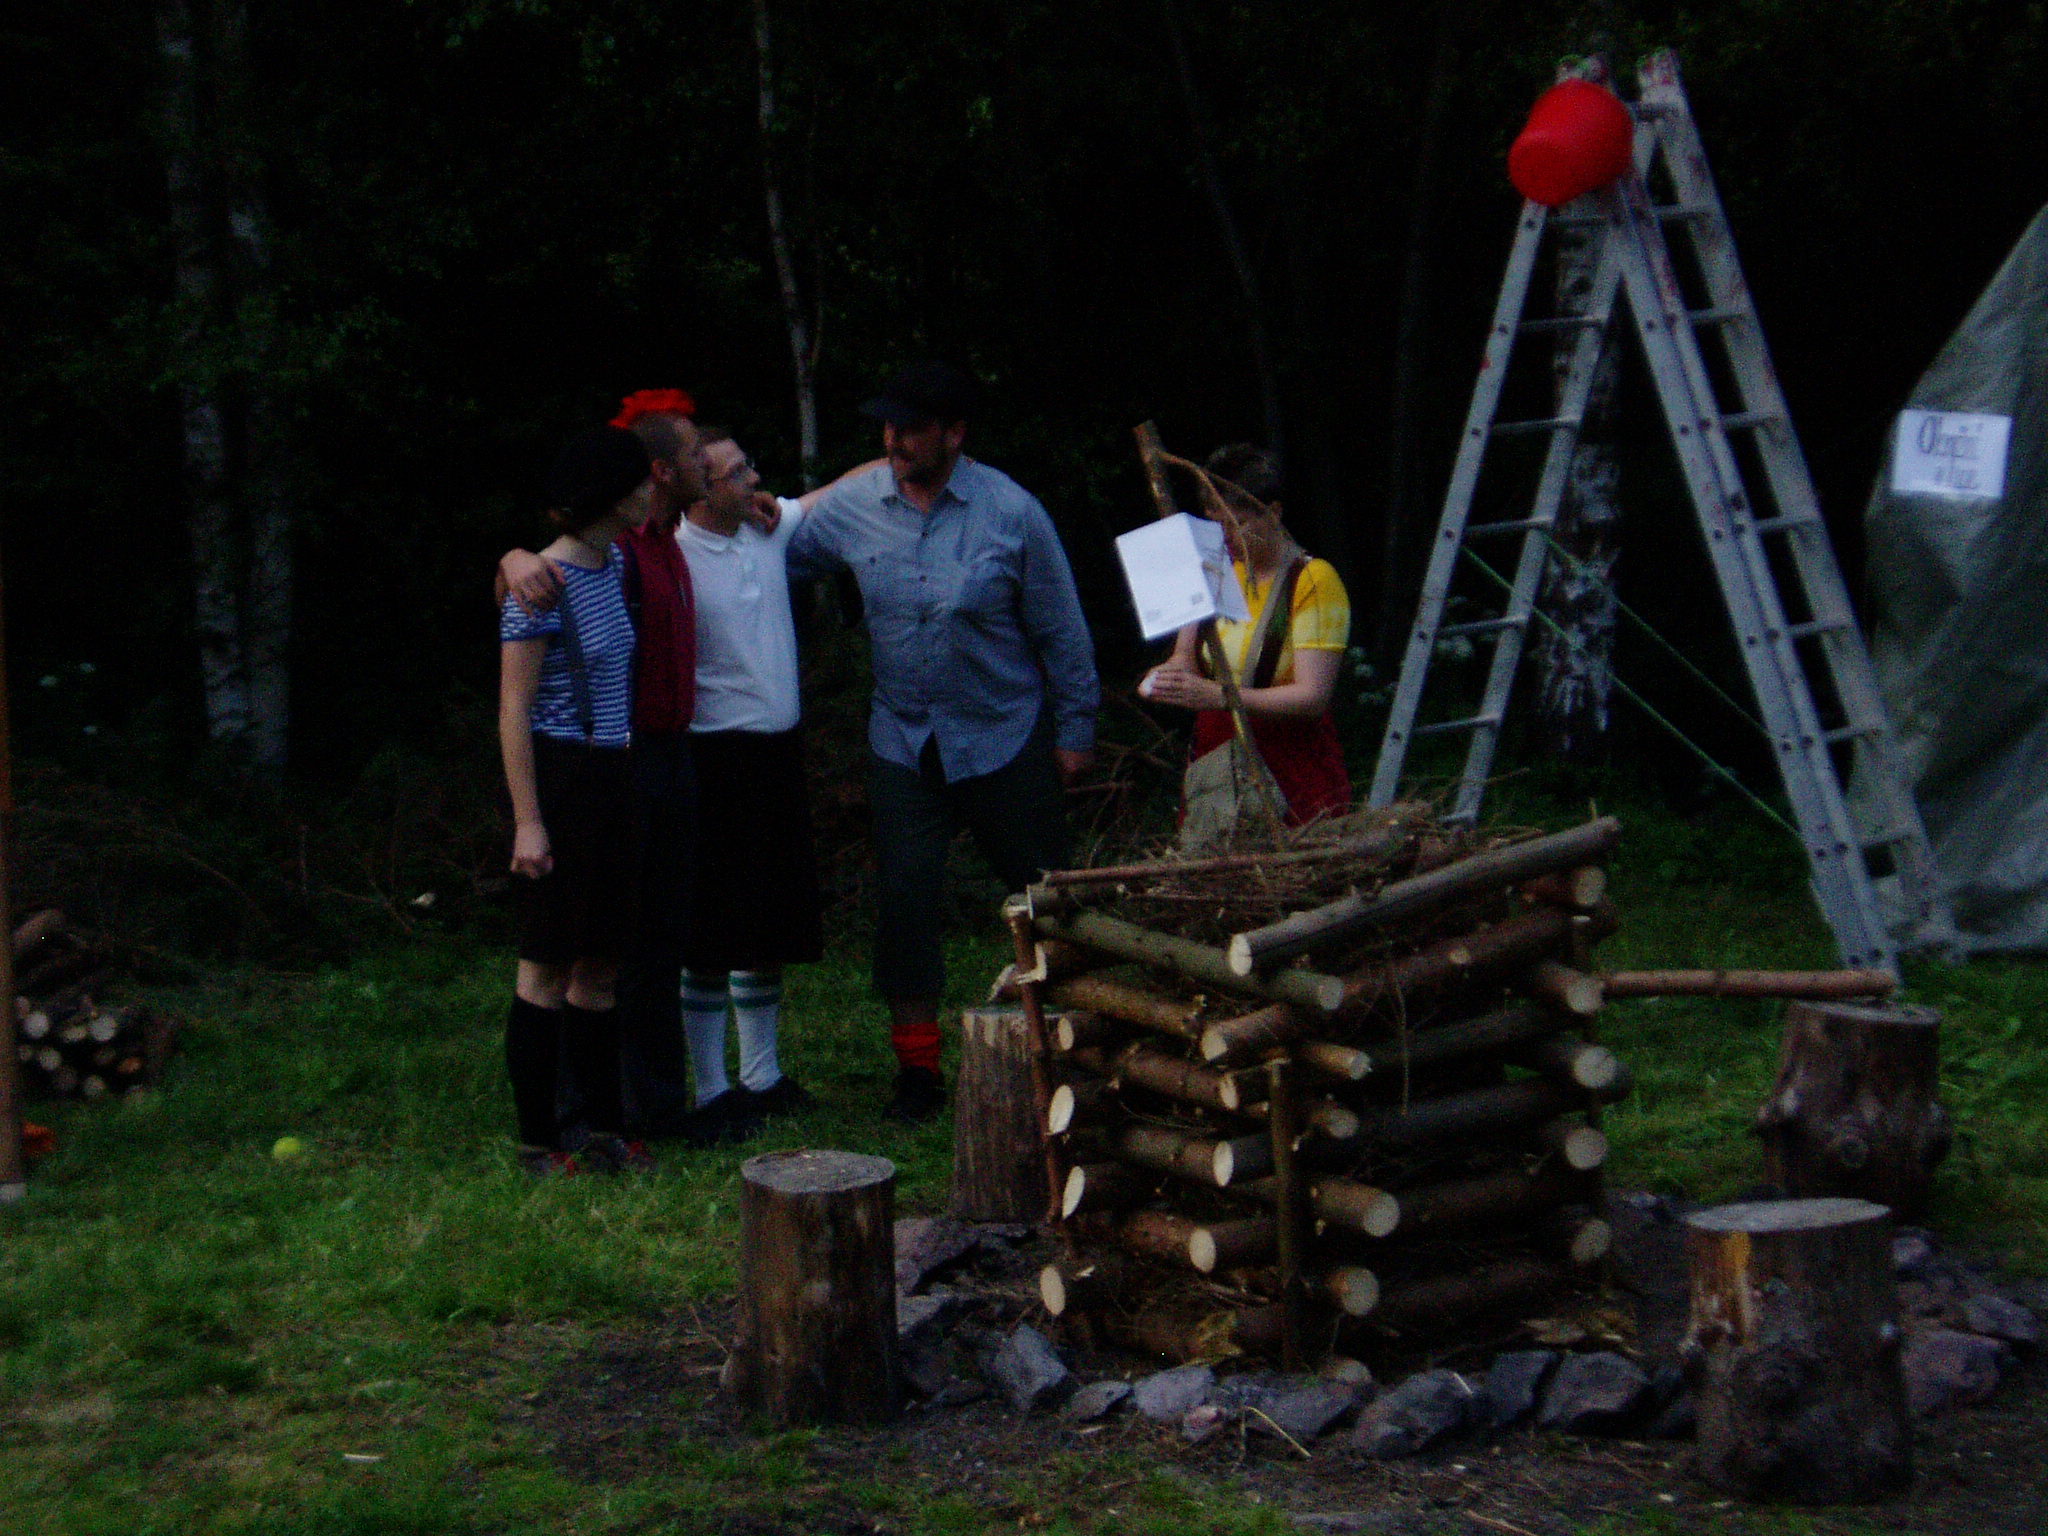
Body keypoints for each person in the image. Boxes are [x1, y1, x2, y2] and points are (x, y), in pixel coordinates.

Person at [789, 361, 1099, 1122]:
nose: (894, 440)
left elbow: (1061, 628)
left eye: (912, 428)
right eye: (888, 427)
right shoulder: (856, 505)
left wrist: (1076, 731)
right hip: (903, 737)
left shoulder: (1011, 512)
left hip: (1002, 733)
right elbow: (769, 557)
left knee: (1045, 898)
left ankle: (1079, 1047)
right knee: (905, 898)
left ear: (954, 434)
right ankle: (918, 1072)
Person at [499, 390, 707, 1145]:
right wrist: (529, 822)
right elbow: (513, 707)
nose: (653, 487)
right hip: (564, 775)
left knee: (600, 966)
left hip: (617, 774)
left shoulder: (614, 562)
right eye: (640, 480)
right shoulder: (542, 585)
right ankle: (538, 1139)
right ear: (614, 494)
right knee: (546, 966)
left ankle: (603, 1129)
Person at [673, 428, 828, 1132]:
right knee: (712, 928)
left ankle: (762, 1076)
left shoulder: (765, 529)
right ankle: (711, 1090)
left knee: (769, 918)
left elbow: (838, 494)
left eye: (749, 466)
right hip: (713, 755)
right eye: (738, 473)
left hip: (776, 751)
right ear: (702, 489)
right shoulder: (673, 552)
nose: (754, 479)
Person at [1139, 443, 1352, 825]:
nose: (1225, 537)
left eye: (1236, 523)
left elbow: (1312, 696)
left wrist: (1222, 696)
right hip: (1219, 768)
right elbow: (1185, 656)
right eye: (1215, 523)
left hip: (1290, 768)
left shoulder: (1312, 580)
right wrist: (1170, 676)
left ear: (1273, 512)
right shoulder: (1214, 567)